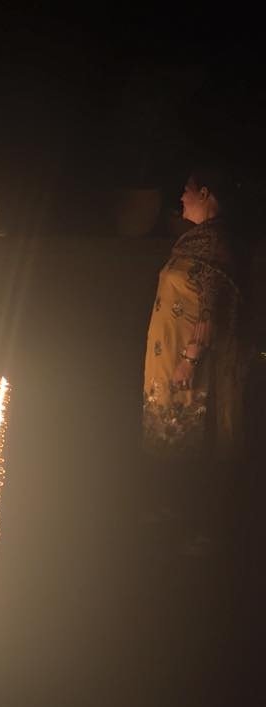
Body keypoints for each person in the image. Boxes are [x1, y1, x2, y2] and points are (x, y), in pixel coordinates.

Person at [142, 165, 245, 555]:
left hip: (191, 365)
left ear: (204, 193)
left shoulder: (215, 245)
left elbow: (210, 307)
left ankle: (200, 527)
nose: (180, 198)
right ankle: (171, 511)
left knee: (195, 435)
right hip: (168, 358)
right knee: (172, 433)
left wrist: (192, 357)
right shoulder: (194, 242)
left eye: (186, 190)